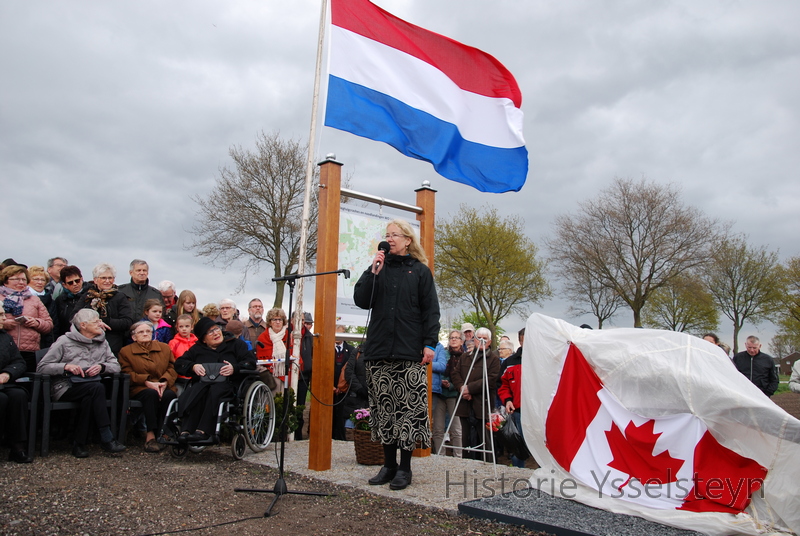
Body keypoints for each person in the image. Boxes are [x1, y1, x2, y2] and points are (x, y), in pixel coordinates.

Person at [353, 219, 440, 491]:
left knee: (407, 413)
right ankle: (388, 465)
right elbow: (361, 300)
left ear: (407, 240)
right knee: (385, 412)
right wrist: (373, 271)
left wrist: (430, 344)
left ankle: (405, 468)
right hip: (379, 351)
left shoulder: (420, 272)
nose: (389, 239)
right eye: (387, 235)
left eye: (395, 235)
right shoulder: (377, 269)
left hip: (409, 352)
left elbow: (431, 311)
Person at [37, 309, 126, 458]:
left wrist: (102, 367)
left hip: (90, 385)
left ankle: (79, 444)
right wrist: (65, 367)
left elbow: (116, 366)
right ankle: (106, 437)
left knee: (90, 396)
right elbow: (42, 367)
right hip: (66, 386)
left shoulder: (102, 341)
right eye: (96, 321)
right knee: (96, 389)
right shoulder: (64, 341)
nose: (101, 323)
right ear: (83, 325)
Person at [174, 317, 255, 442]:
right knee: (196, 392)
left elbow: (250, 363)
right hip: (202, 384)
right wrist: (193, 366)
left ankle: (203, 430)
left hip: (228, 385)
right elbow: (179, 364)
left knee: (214, 391)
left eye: (216, 329)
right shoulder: (197, 349)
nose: (216, 333)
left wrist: (234, 368)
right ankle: (186, 430)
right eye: (210, 332)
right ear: (203, 339)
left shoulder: (236, 344)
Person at [118, 321, 178, 452]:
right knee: (151, 395)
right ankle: (150, 435)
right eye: (141, 332)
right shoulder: (126, 352)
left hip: (163, 384)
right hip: (140, 386)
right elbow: (126, 372)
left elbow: (172, 367)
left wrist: (165, 381)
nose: (145, 334)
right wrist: (147, 382)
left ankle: (165, 432)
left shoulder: (164, 348)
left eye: (148, 331)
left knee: (170, 395)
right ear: (134, 337)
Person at [451, 327, 500, 461]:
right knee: (465, 437)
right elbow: (455, 374)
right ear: (474, 339)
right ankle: (466, 462)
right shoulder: (465, 357)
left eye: (485, 339)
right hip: (464, 403)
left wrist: (470, 389)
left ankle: (488, 462)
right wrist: (462, 389)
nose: (481, 341)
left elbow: (491, 380)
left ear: (489, 342)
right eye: (479, 338)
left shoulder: (494, 360)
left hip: (482, 404)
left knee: (484, 436)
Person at [1, 265, 54, 371]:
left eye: (24, 279)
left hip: (30, 351)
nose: (21, 282)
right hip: (4, 350)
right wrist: (4, 324)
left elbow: (49, 324)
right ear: (6, 280)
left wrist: (36, 323)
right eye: (16, 279)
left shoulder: (34, 299)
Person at [72, 263, 133, 356]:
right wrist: (93, 323)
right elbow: (74, 316)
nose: (107, 281)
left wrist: (105, 321)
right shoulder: (87, 296)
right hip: (88, 344)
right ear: (95, 280)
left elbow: (127, 322)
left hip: (112, 345)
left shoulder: (120, 297)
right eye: (104, 278)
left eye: (110, 278)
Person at [0, 310, 33, 462]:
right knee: (1, 398)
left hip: (4, 381)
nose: (4, 318)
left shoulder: (6, 338)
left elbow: (19, 362)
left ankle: (17, 447)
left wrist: (8, 374)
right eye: (0, 315)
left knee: (18, 396)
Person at [432, 331, 463, 458]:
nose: (453, 340)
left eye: (456, 338)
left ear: (462, 341)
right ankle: (440, 455)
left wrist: (451, 385)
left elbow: (464, 376)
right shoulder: (444, 353)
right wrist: (442, 382)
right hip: (440, 393)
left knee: (456, 428)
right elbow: (440, 368)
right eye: (451, 337)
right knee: (438, 427)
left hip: (454, 394)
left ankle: (458, 456)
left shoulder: (465, 357)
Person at [497, 336, 525, 468]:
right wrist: (507, 400)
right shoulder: (509, 363)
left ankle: (544, 475)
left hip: (538, 411)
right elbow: (503, 385)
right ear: (520, 341)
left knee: (542, 445)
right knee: (518, 443)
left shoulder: (542, 359)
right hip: (517, 410)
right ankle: (518, 472)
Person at [255, 308, 293, 386]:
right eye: (274, 320)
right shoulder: (263, 337)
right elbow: (261, 358)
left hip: (288, 373)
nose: (278, 322)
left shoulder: (289, 336)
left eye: (280, 319)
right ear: (270, 322)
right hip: (270, 376)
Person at [332, 325, 356, 441]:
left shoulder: (351, 350)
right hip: (329, 388)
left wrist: (342, 387)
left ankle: (341, 438)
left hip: (344, 390)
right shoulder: (325, 349)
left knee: (342, 415)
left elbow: (351, 370)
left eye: (339, 332)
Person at [52, 266, 89, 339]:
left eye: (77, 280)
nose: (75, 284)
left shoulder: (91, 296)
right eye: (70, 282)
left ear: (81, 279)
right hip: (68, 339)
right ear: (64, 285)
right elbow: (57, 324)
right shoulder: (60, 301)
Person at [295, 312, 314, 440]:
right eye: (302, 321)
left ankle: (298, 434)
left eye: (307, 322)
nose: (304, 324)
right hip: (289, 375)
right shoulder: (289, 334)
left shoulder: (310, 337)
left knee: (300, 406)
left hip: (303, 377)